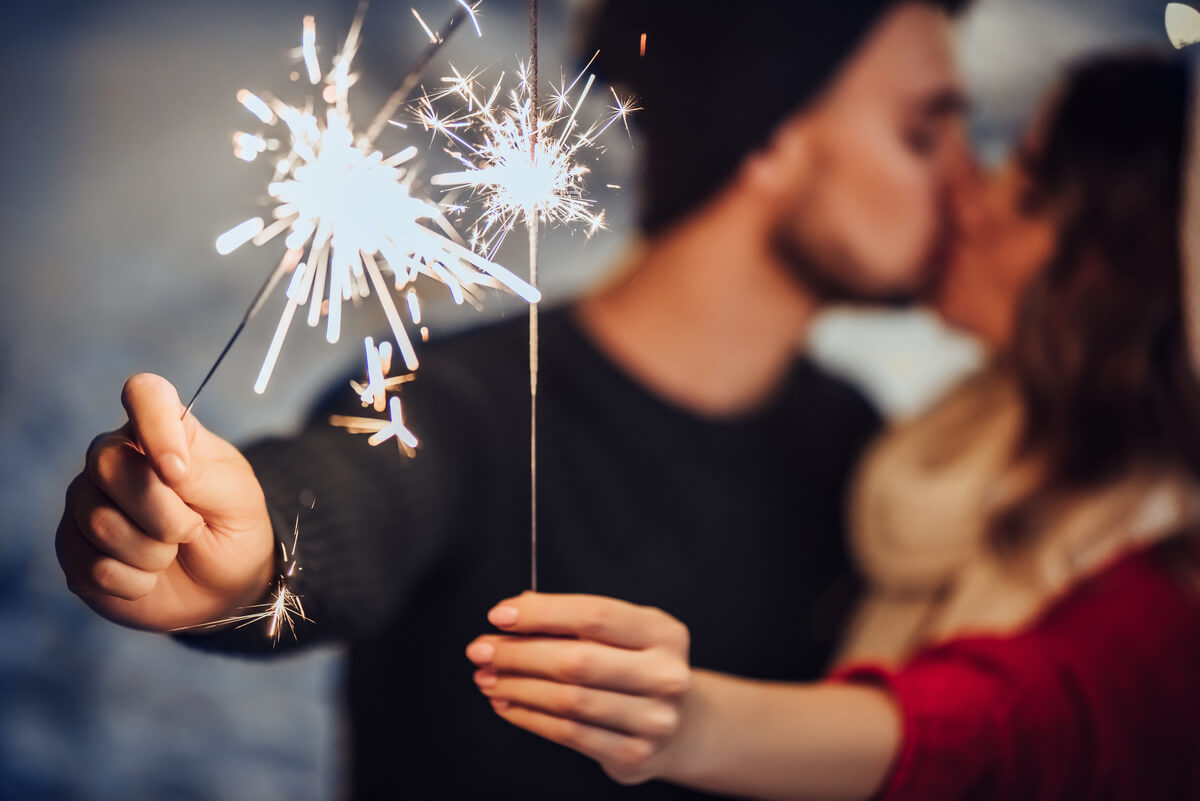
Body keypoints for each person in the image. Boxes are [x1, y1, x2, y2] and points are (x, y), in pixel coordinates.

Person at [55, 1, 968, 797]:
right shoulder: (448, 398)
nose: (970, 181)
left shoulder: (861, 445)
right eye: (923, 135)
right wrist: (250, 563)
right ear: (771, 140)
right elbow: (347, 494)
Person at [465, 53, 1200, 800]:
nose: (971, 196)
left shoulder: (1162, 584)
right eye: (922, 136)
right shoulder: (921, 445)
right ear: (776, 135)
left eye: (1033, 189)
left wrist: (690, 722)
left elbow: (1001, 723)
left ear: (1120, 269)